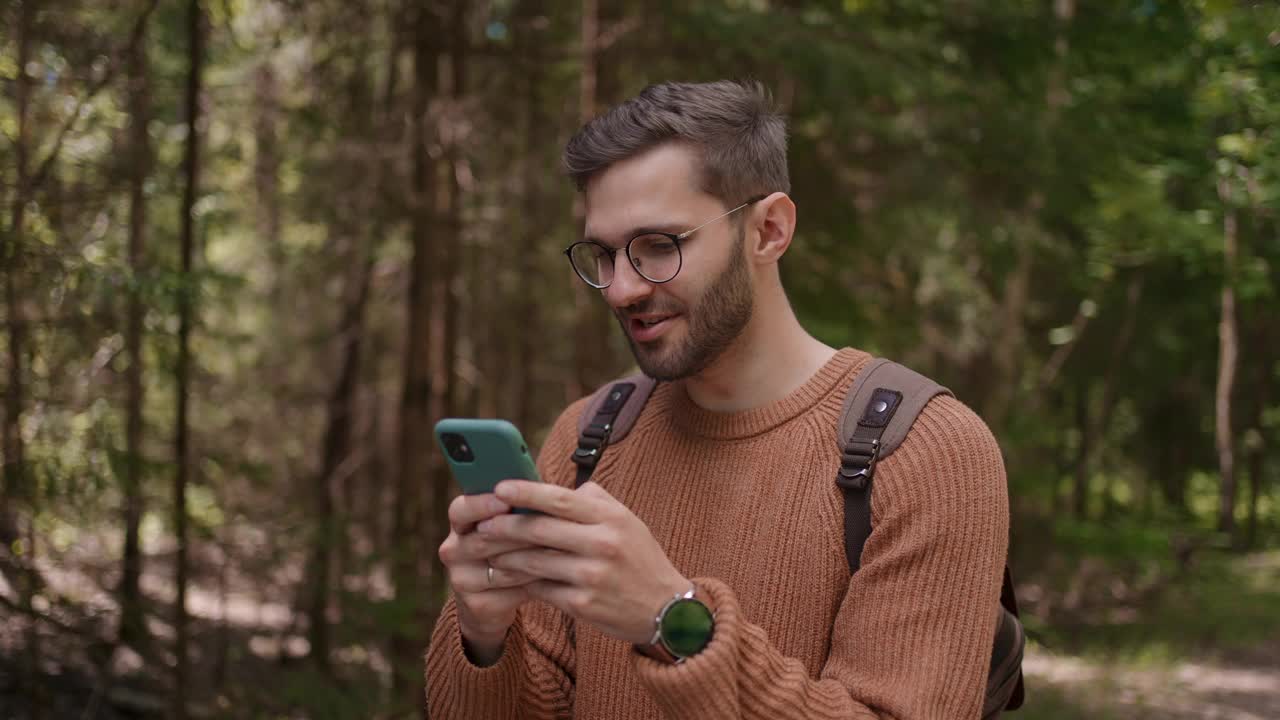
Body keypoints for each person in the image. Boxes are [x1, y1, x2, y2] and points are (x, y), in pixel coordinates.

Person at [425, 80, 1010, 719]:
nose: (620, 290)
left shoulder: (926, 453)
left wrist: (673, 622)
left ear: (769, 230)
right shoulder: (592, 435)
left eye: (659, 246)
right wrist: (484, 636)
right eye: (604, 253)